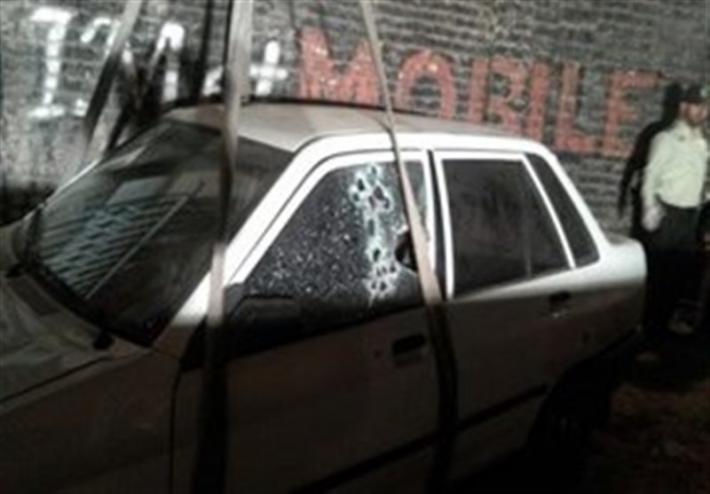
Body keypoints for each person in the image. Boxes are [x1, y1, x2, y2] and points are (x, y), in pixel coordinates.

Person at [640, 83, 708, 342]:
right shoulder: (665, 139)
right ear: (683, 107)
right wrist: (649, 207)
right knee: (659, 277)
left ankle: (662, 330)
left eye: (706, 107)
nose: (702, 112)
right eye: (697, 106)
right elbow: (650, 176)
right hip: (667, 215)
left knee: (679, 277)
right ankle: (646, 334)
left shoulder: (702, 143)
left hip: (690, 217)